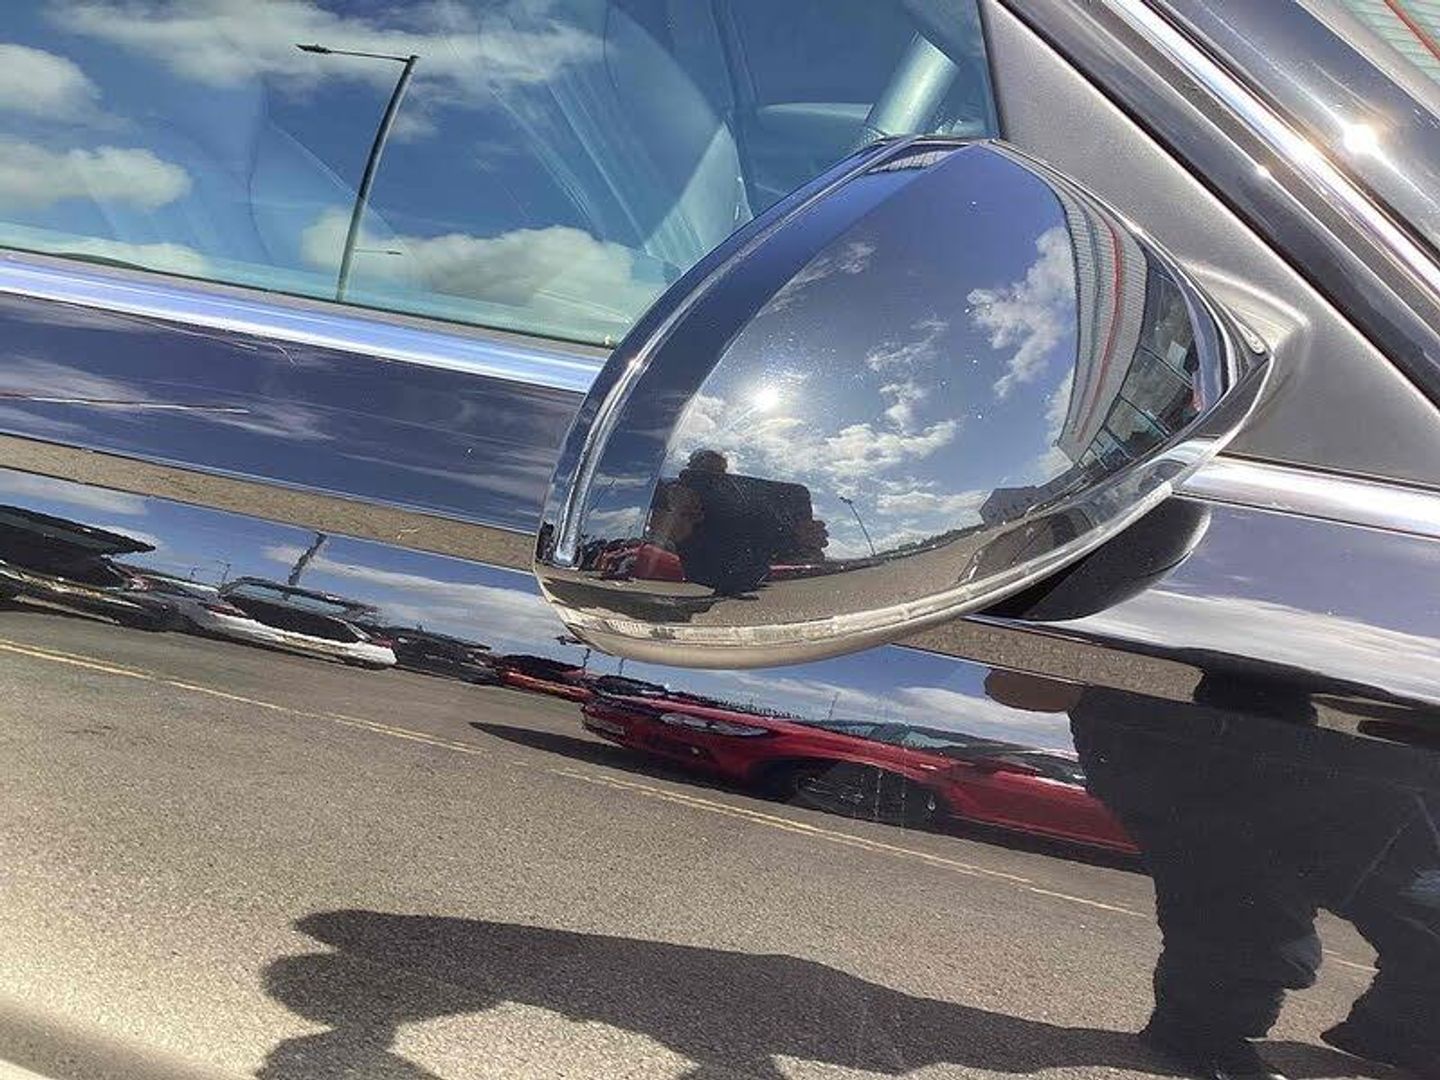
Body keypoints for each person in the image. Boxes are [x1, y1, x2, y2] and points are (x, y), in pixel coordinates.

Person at [986, 666, 1440, 1080]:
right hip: (1238, 722)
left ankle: (1401, 1030)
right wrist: (1093, 696)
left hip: (1396, 750)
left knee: (1422, 902)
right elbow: (1013, 682)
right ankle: (1201, 1030)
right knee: (1246, 901)